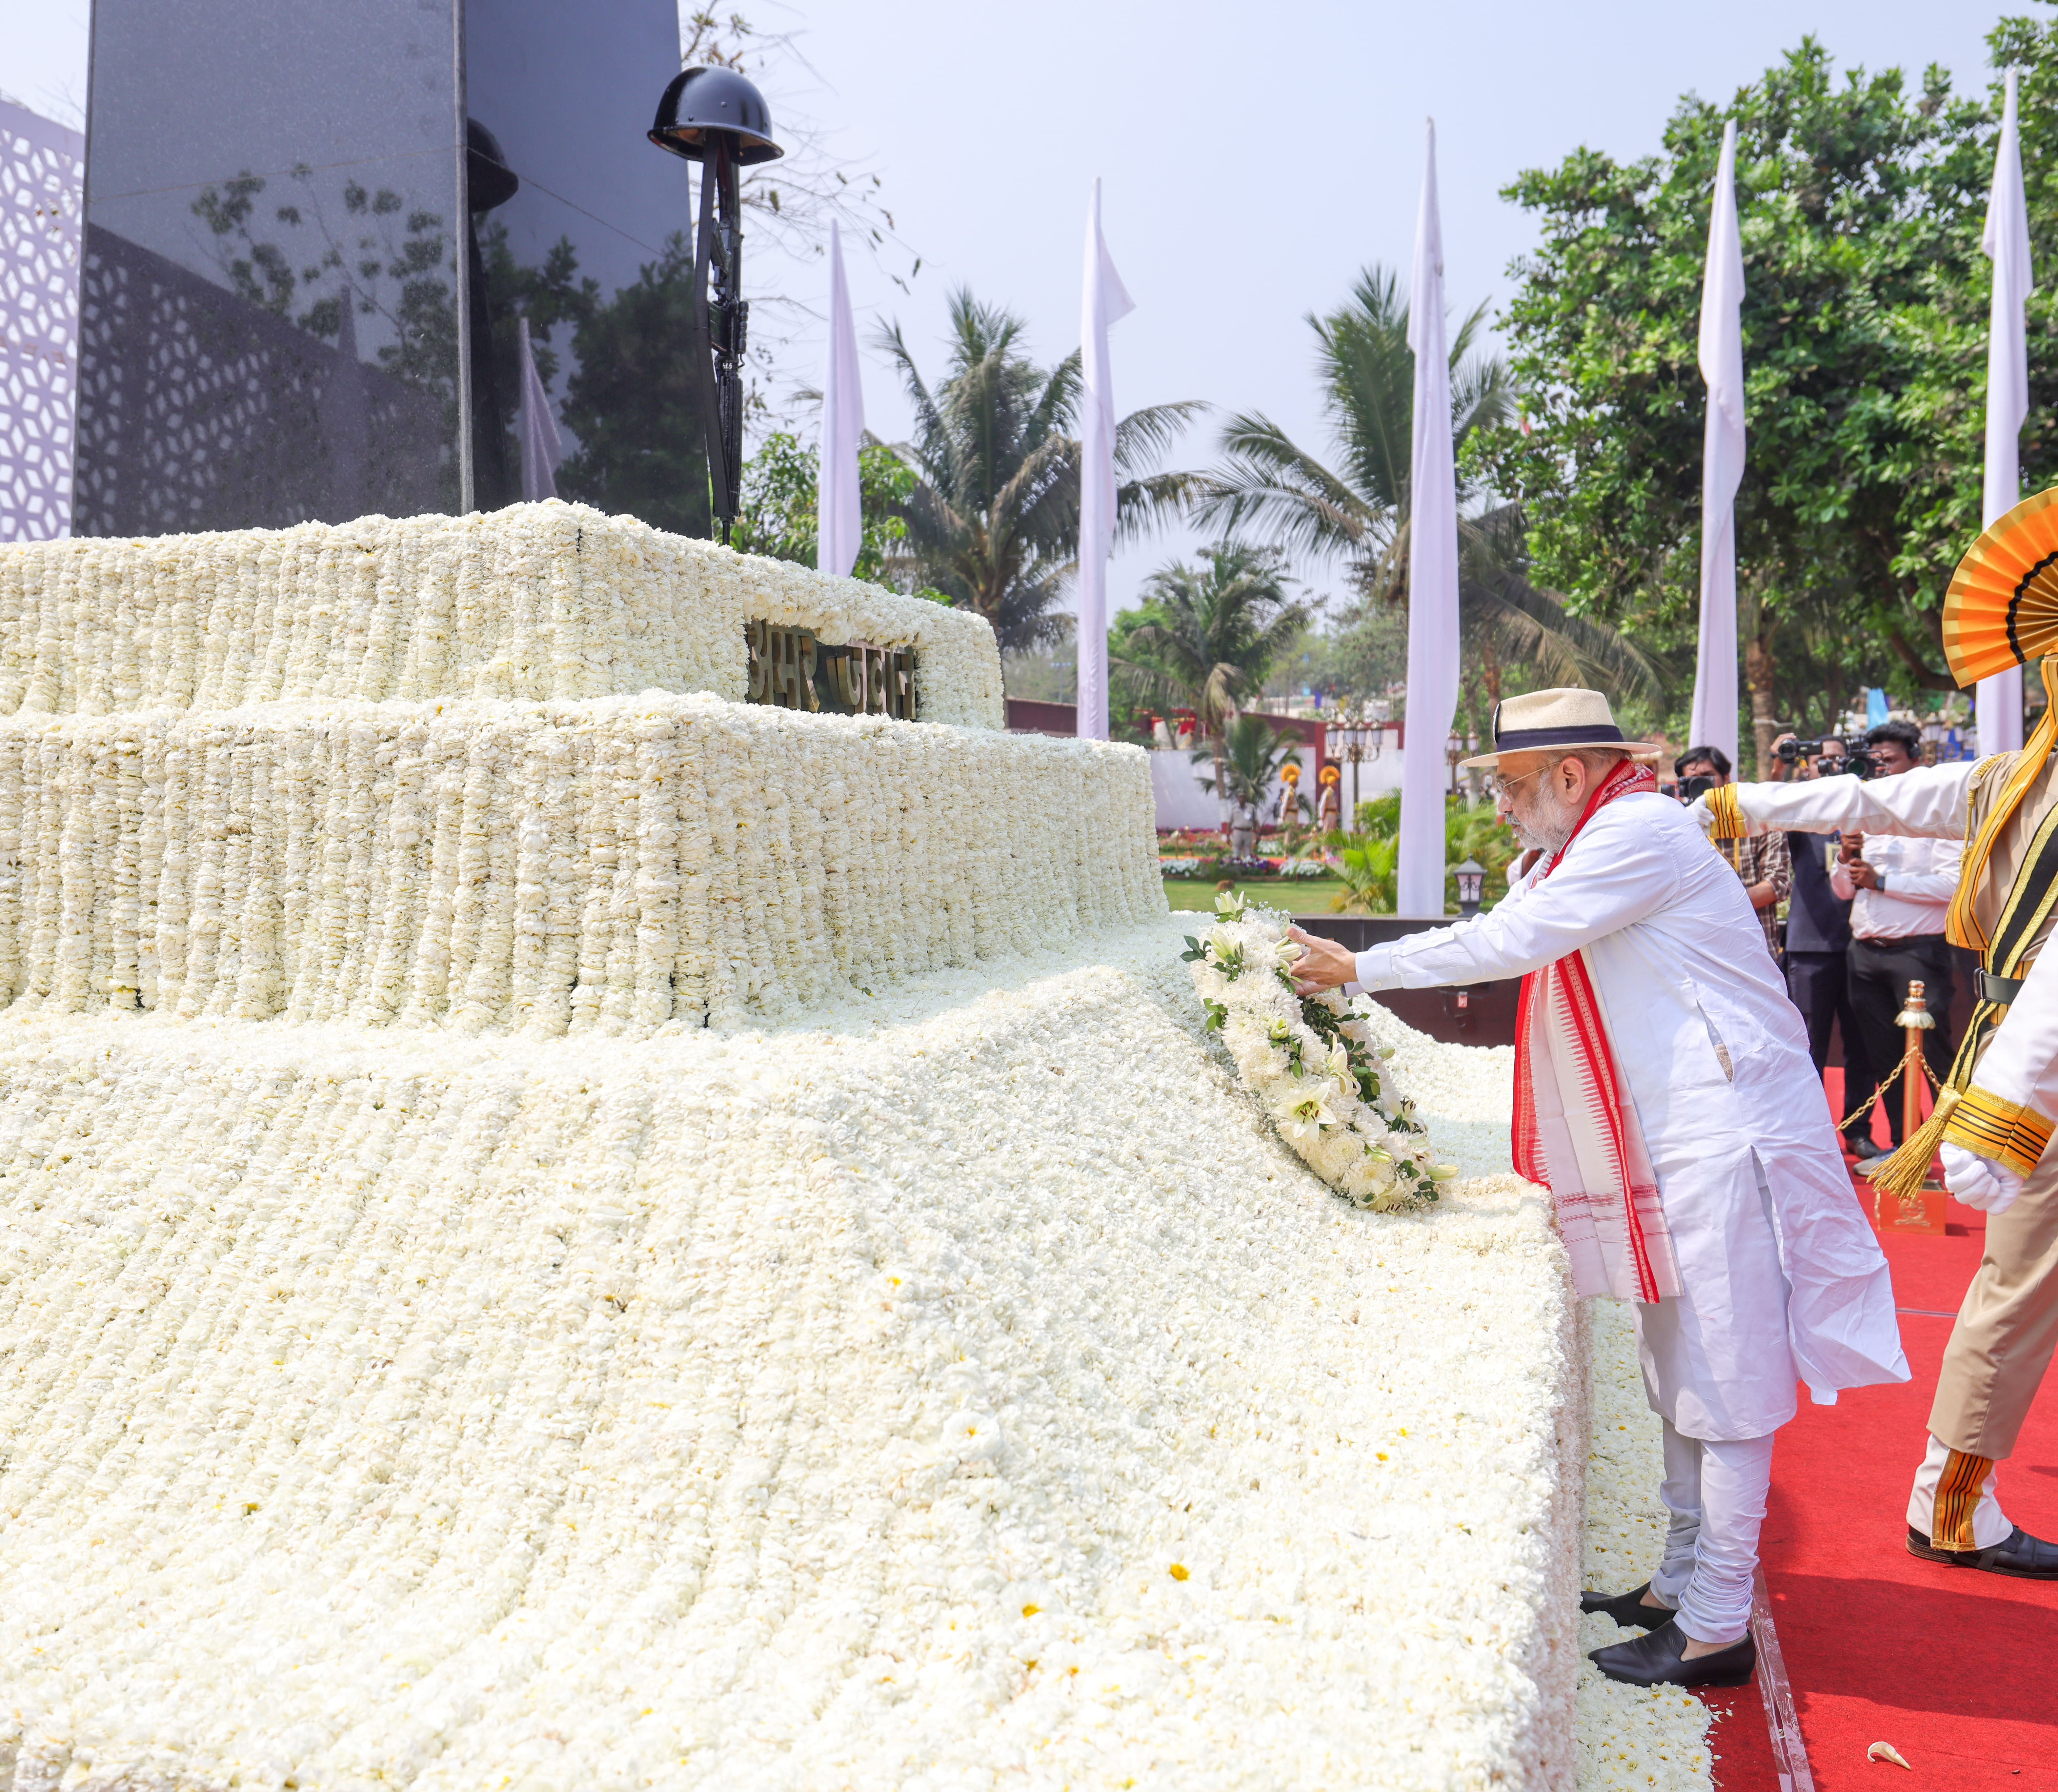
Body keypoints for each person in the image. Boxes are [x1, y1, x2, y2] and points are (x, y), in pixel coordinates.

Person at [1289, 687, 1907, 1688]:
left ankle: (1714, 1625)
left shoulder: (1636, 832)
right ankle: (1675, 1583)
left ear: (1572, 777)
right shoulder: (1597, 839)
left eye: (1516, 786)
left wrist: (1359, 968)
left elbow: (1508, 943)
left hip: (1724, 1128)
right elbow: (1514, 921)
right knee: (1676, 1367)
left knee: (1729, 1382)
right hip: (1674, 1132)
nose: (1501, 807)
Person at [1693, 531, 2058, 1578]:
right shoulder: (2009, 782)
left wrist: (1739, 804)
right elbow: (1865, 801)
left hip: (2016, 1054)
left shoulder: (2011, 779)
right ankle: (1950, 1502)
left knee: (2020, 1282)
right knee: (2018, 1283)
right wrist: (1738, 803)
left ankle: (1953, 1495)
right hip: (2035, 1066)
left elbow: (1864, 800)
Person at [1829, 719, 1964, 1147]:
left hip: (1918, 955)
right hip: (1864, 953)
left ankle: (1966, 1150)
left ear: (1917, 762)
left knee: (1936, 1054)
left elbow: (1953, 886)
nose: (1881, 769)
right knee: (1884, 1055)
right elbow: (1842, 889)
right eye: (1875, 762)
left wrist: (1883, 881)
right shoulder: (1863, 815)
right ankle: (1909, 1148)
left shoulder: (1940, 816)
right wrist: (1846, 858)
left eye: (1890, 760)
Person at [1773, 736, 1878, 1158]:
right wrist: (1780, 763)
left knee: (1862, 1044)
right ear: (1808, 768)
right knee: (1808, 1044)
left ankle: (1858, 1130)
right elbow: (1770, 805)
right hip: (1811, 944)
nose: (1832, 767)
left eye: (1839, 760)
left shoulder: (1872, 808)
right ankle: (1809, 1133)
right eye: (1822, 761)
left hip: (1864, 945)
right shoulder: (1802, 812)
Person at [1676, 743, 1790, 962]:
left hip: (1755, 953)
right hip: (1698, 956)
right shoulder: (1676, 827)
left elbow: (1779, 883)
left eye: (1707, 777)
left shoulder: (1757, 820)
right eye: (1692, 780)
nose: (1700, 787)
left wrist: (1720, 907)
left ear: (1726, 778)